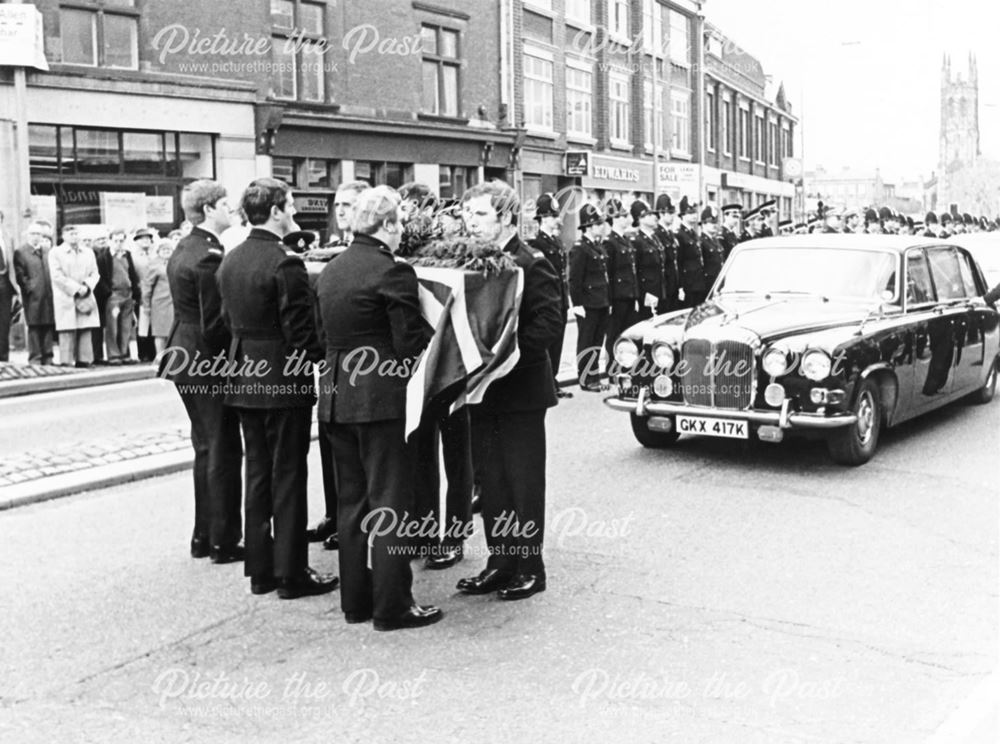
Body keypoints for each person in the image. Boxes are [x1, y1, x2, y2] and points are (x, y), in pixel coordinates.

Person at [316, 185, 441, 630]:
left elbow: (318, 339)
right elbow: (409, 340)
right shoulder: (393, 272)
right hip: (380, 399)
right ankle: (393, 606)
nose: (402, 230)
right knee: (390, 502)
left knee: (351, 505)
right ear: (387, 225)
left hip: (333, 398)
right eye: (400, 224)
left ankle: (357, 602)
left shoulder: (331, 270)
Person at [217, 178, 336, 599]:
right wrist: (329, 354)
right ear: (276, 211)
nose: (295, 214)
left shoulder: (231, 259)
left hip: (244, 374)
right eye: (290, 206)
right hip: (283, 378)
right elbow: (301, 333)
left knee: (258, 474)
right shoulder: (285, 263)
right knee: (288, 474)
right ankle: (291, 573)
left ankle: (262, 570)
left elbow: (226, 321)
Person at [457, 180, 563, 601]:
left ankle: (529, 567)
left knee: (522, 481)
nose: (471, 221)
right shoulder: (471, 262)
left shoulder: (532, 262)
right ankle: (499, 562)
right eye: (468, 214)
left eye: (480, 214)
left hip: (519, 392)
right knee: (493, 482)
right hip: (482, 389)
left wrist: (506, 358)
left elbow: (548, 325)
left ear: (505, 217)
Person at [160, 179, 244, 563]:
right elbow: (215, 324)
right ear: (209, 209)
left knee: (207, 447)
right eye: (226, 203)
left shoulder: (187, 245)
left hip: (185, 354)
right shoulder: (209, 255)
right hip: (205, 360)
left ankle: (204, 535)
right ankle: (223, 541)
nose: (232, 209)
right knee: (223, 448)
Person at [304, 181, 372, 552]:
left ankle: (359, 525)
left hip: (361, 367)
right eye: (338, 204)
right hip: (332, 366)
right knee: (332, 447)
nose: (341, 210)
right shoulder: (329, 253)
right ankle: (336, 515)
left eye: (349, 204)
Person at [529, 192, 572, 399]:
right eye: (555, 217)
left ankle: (553, 380)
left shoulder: (556, 242)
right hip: (548, 301)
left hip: (560, 300)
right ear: (544, 218)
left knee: (558, 344)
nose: (559, 220)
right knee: (548, 344)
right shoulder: (537, 244)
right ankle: (546, 384)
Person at [569, 203, 610, 391]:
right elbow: (575, 279)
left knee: (596, 342)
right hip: (587, 304)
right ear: (589, 226)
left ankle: (594, 376)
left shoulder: (597, 246)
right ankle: (586, 378)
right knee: (586, 341)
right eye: (598, 223)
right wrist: (577, 303)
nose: (602, 226)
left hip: (600, 301)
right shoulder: (580, 248)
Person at [49, 225, 100, 367]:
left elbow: (95, 273)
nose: (74, 236)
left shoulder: (88, 252)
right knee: (67, 329)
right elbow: (57, 276)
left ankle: (84, 359)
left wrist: (87, 285)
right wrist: (76, 288)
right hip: (66, 295)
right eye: (70, 233)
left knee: (85, 327)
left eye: (76, 233)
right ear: (63, 236)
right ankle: (66, 361)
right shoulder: (56, 252)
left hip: (85, 294)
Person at [603, 198, 638, 376]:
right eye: (624, 215)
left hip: (628, 294)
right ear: (615, 218)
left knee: (626, 334)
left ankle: (625, 367)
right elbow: (607, 275)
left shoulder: (625, 240)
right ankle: (612, 370)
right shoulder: (609, 242)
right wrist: (608, 300)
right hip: (617, 296)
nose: (628, 218)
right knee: (614, 335)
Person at [14, 221, 56, 365]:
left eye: (38, 234)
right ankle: (35, 357)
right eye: (33, 234)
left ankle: (48, 356)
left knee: (48, 325)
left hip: (48, 295)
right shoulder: (21, 252)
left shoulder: (47, 251)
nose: (36, 237)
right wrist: (30, 287)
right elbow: (20, 275)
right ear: (27, 235)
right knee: (35, 326)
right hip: (33, 297)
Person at [104, 229, 141, 364]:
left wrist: (135, 292)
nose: (119, 243)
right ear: (110, 241)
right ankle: (113, 355)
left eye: (121, 240)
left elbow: (132, 274)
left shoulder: (127, 255)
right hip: (114, 294)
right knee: (112, 326)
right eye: (116, 241)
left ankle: (124, 353)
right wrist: (108, 292)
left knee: (126, 326)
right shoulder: (105, 256)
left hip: (128, 294)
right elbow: (101, 276)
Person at [630, 199, 665, 322]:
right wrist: (641, 294)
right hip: (648, 293)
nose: (654, 217)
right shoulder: (637, 241)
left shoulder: (655, 238)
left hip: (660, 290)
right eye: (649, 215)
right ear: (640, 219)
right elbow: (636, 271)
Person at [141, 240, 175, 357]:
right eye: (163, 249)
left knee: (172, 332)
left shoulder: (175, 263)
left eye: (169, 249)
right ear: (158, 251)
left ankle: (172, 358)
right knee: (160, 333)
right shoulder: (153, 265)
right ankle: (160, 358)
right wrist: (146, 306)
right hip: (159, 304)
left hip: (173, 303)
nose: (166, 251)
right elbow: (147, 287)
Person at [130, 228, 158, 362]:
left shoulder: (155, 255)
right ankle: (143, 353)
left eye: (148, 238)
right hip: (140, 293)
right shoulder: (133, 257)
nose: (145, 241)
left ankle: (153, 351)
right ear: (137, 241)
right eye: (142, 239)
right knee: (142, 324)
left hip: (156, 293)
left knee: (154, 323)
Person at [676, 197, 707, 307]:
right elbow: (679, 262)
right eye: (690, 212)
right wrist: (680, 286)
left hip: (698, 281)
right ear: (682, 215)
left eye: (695, 212)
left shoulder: (693, 234)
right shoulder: (679, 235)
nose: (694, 215)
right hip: (688, 282)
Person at [653, 194, 680, 312]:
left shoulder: (670, 233)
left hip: (673, 282)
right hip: (665, 284)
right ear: (661, 214)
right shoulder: (657, 234)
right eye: (669, 213)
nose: (672, 216)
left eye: (673, 213)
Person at [0, 209, 19, 363]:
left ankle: (3, 358)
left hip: (5, 282)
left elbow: (13, 262)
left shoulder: (7, 237)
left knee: (4, 322)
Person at [699, 205, 725, 289]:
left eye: (715, 222)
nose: (714, 225)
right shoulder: (701, 241)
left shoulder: (716, 241)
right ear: (703, 224)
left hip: (718, 281)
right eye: (711, 222)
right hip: (708, 283)